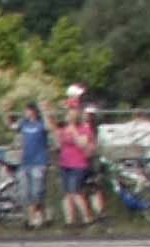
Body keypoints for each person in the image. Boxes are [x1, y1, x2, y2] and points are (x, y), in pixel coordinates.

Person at [54, 88, 101, 228]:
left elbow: (82, 144)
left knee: (75, 192)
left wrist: (73, 130)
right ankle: (69, 221)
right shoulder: (64, 128)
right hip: (65, 163)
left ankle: (87, 218)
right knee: (66, 194)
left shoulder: (84, 128)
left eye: (72, 111)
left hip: (78, 164)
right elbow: (58, 143)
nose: (69, 114)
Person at [12, 102, 54, 227]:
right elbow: (12, 126)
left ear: (33, 111)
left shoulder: (40, 123)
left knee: (37, 192)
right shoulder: (23, 123)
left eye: (28, 110)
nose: (26, 113)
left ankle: (36, 218)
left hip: (39, 162)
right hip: (25, 162)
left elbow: (50, 127)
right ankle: (34, 219)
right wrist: (6, 112)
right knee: (25, 193)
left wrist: (45, 111)